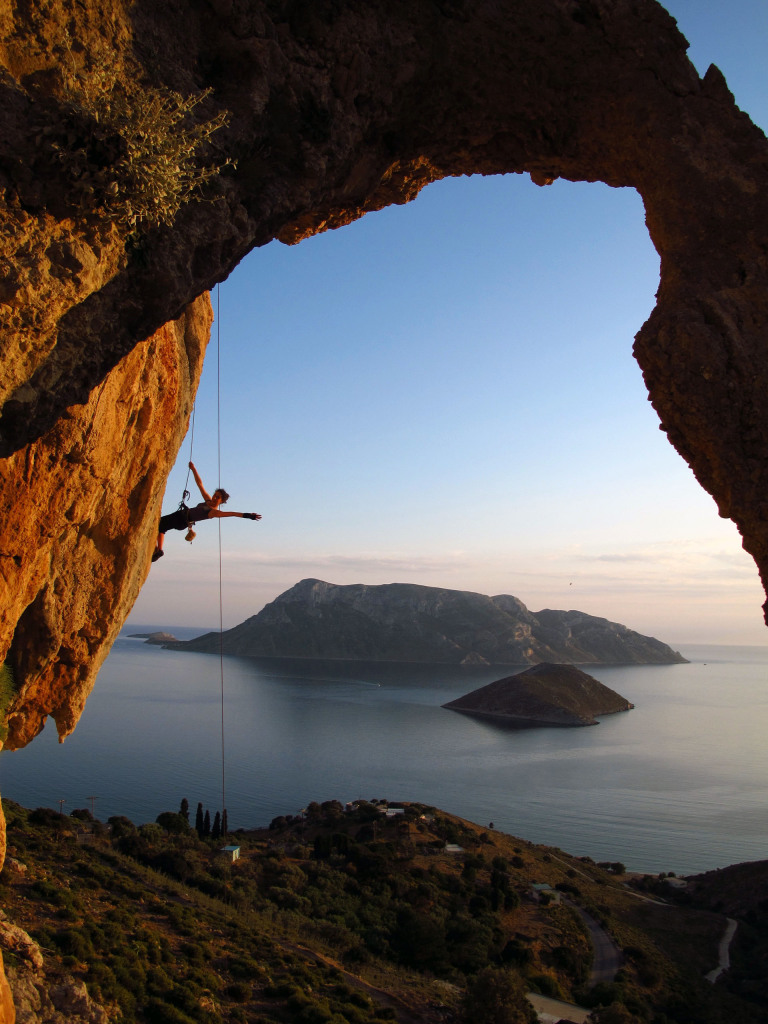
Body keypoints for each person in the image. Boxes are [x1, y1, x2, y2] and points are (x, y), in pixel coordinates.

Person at [152, 461, 261, 561]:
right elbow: (200, 484)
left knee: (161, 525)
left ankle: (160, 550)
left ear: (221, 501)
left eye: (218, 497)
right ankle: (158, 549)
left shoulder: (214, 512)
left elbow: (232, 514)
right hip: (181, 516)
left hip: (182, 519)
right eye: (215, 495)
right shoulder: (208, 501)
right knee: (161, 526)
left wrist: (249, 516)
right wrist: (193, 469)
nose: (214, 497)